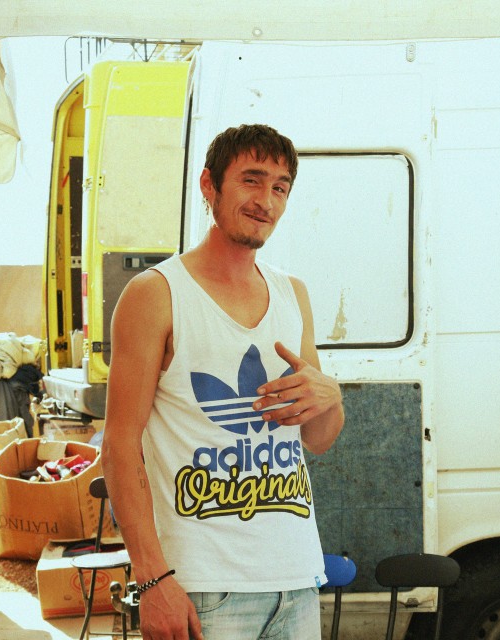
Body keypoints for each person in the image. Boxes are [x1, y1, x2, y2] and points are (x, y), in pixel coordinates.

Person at [102, 124, 345, 640]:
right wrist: (152, 580)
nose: (266, 201)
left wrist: (331, 396)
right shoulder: (156, 294)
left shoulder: (293, 294)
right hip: (202, 588)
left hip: (296, 579)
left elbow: (318, 439)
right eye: (251, 180)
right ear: (209, 185)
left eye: (280, 187)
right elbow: (120, 445)